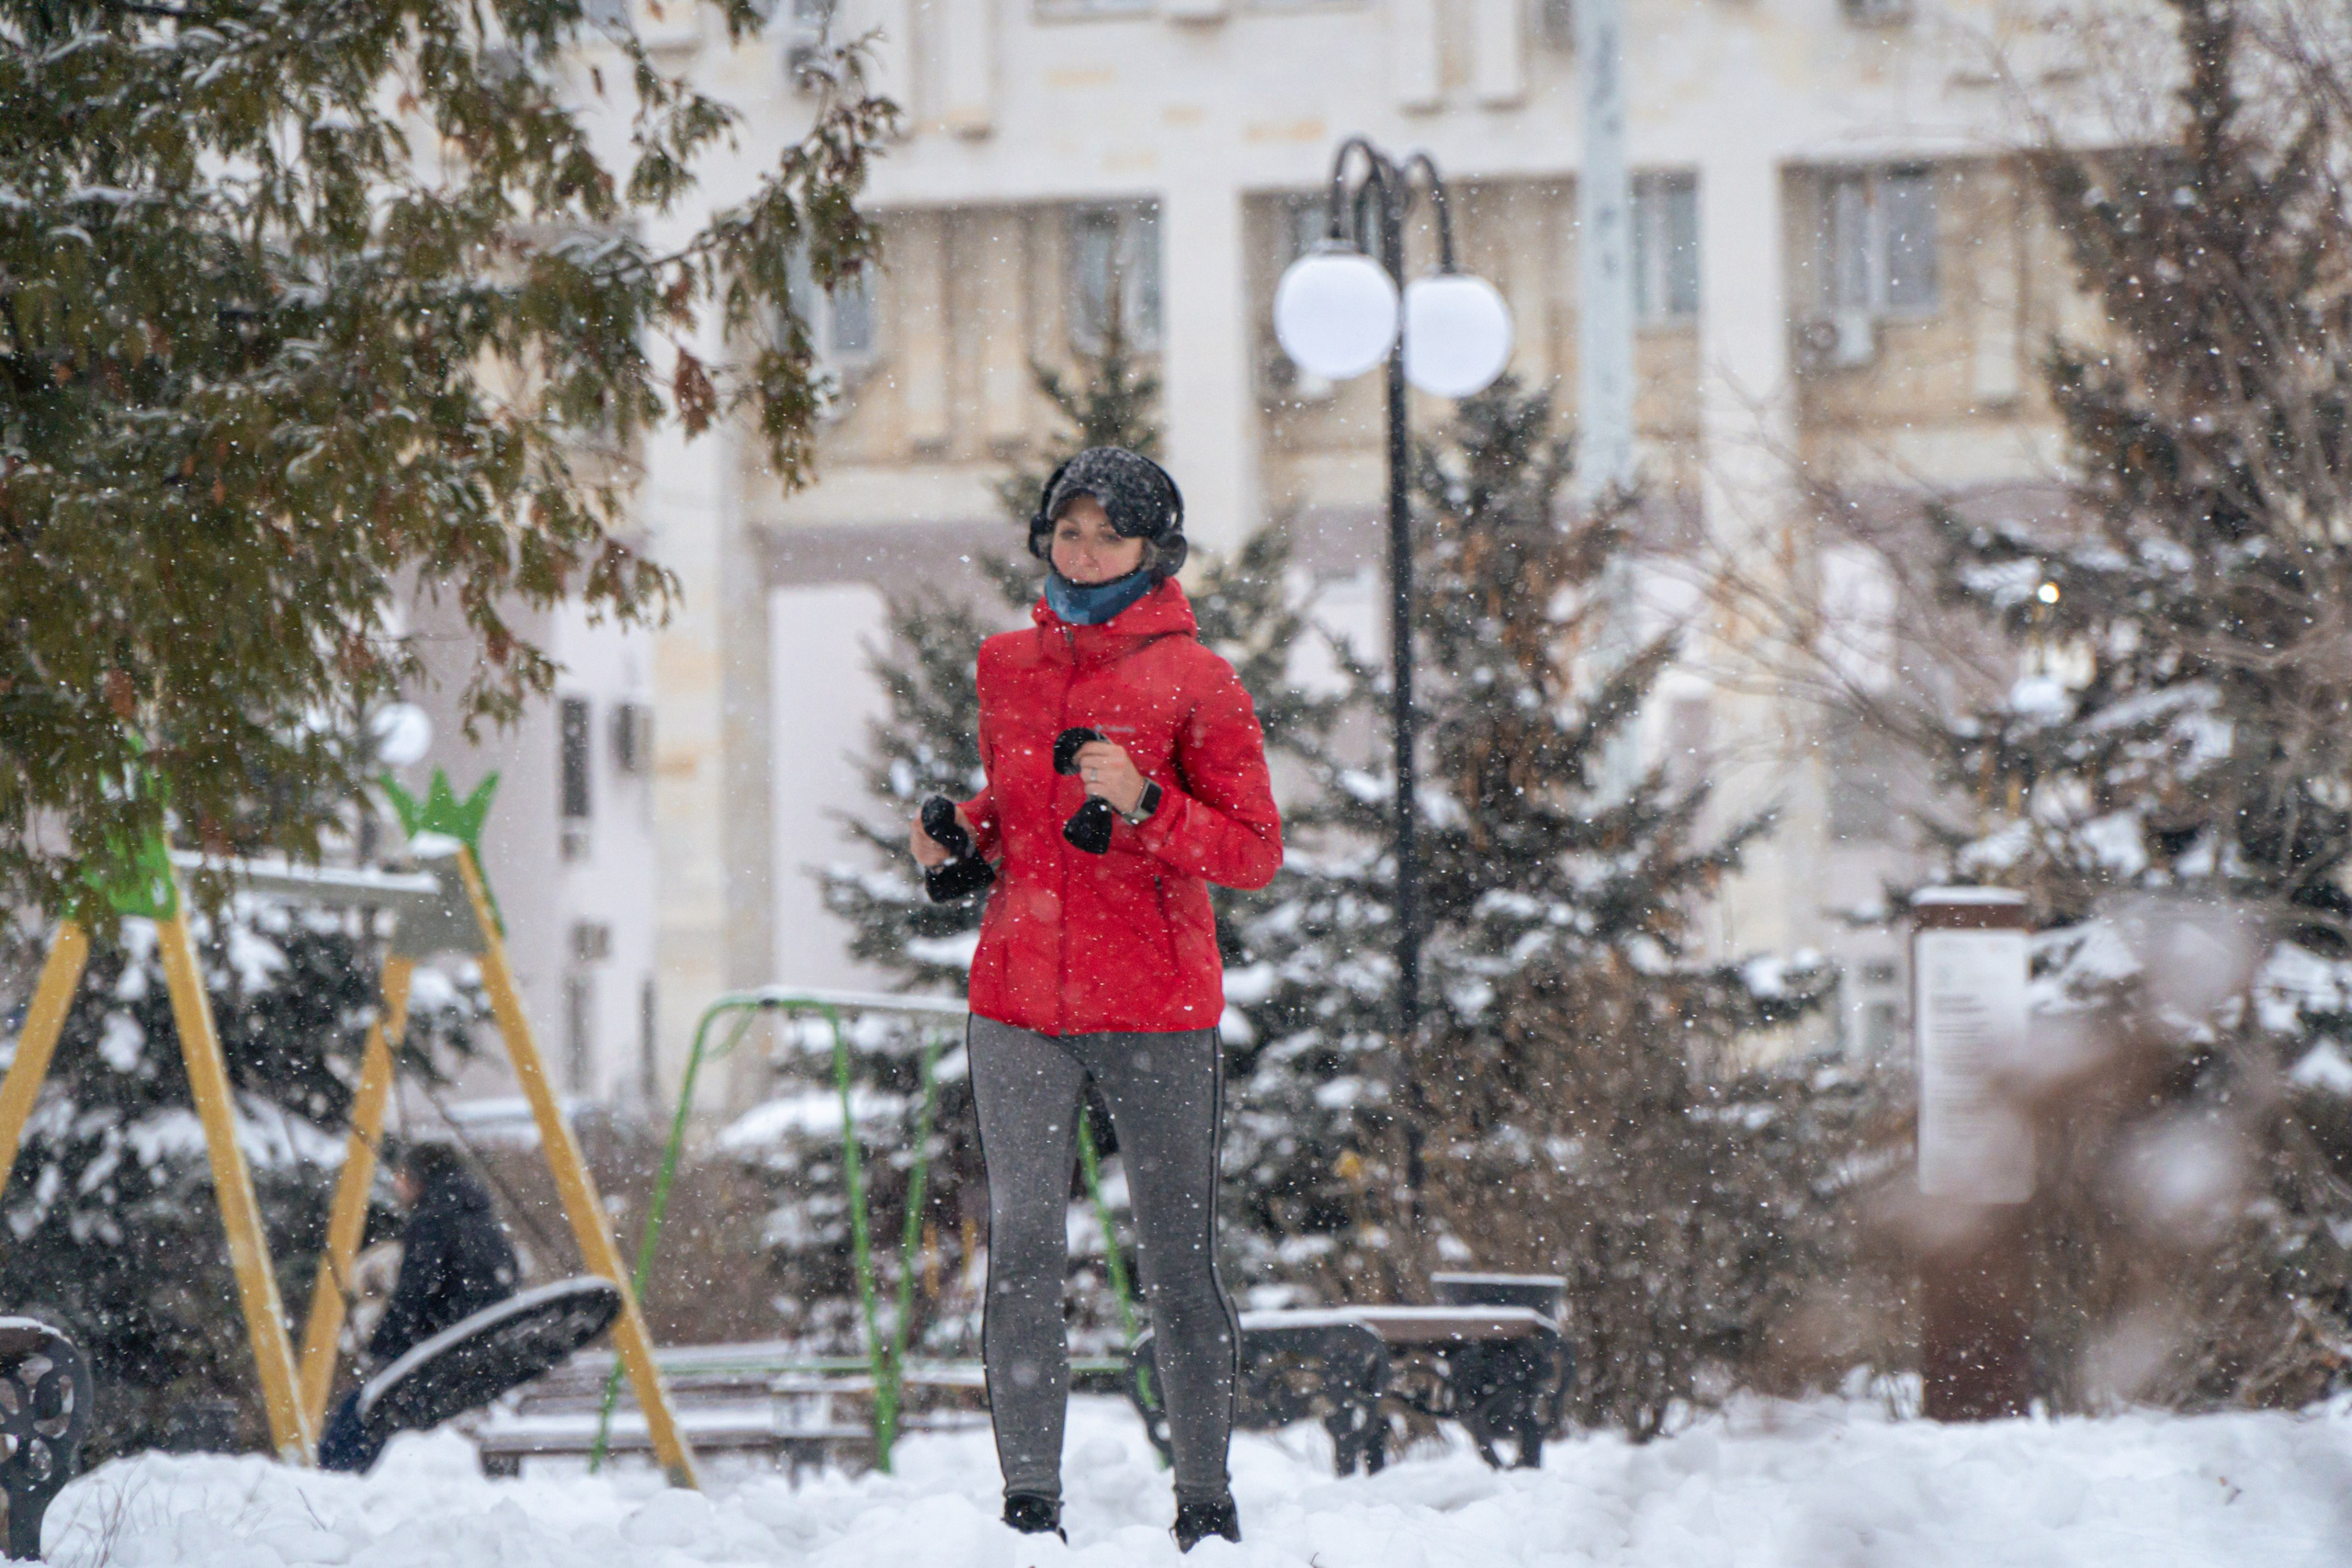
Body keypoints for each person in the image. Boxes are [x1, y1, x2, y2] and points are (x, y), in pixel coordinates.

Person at [910, 446, 1282, 1552]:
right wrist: (956, 836)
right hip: (1018, 999)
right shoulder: (1005, 665)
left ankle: (1204, 1504)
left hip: (1157, 1009)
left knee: (1176, 1256)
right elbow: (1022, 812)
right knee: (1022, 1242)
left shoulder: (1199, 681)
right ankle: (1030, 1506)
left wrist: (1144, 799)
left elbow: (1254, 852)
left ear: (1152, 550)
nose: (1080, 553)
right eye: (1065, 532)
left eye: (1105, 535)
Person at [317, 1141, 519, 1472]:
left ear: (417, 1179)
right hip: (477, 1349)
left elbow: (414, 1296)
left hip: (440, 1350)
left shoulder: (433, 1221)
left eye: (400, 1176)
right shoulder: (482, 1217)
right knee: (372, 1407)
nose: (396, 1185)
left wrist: (381, 1346)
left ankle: (334, 1478)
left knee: (361, 1411)